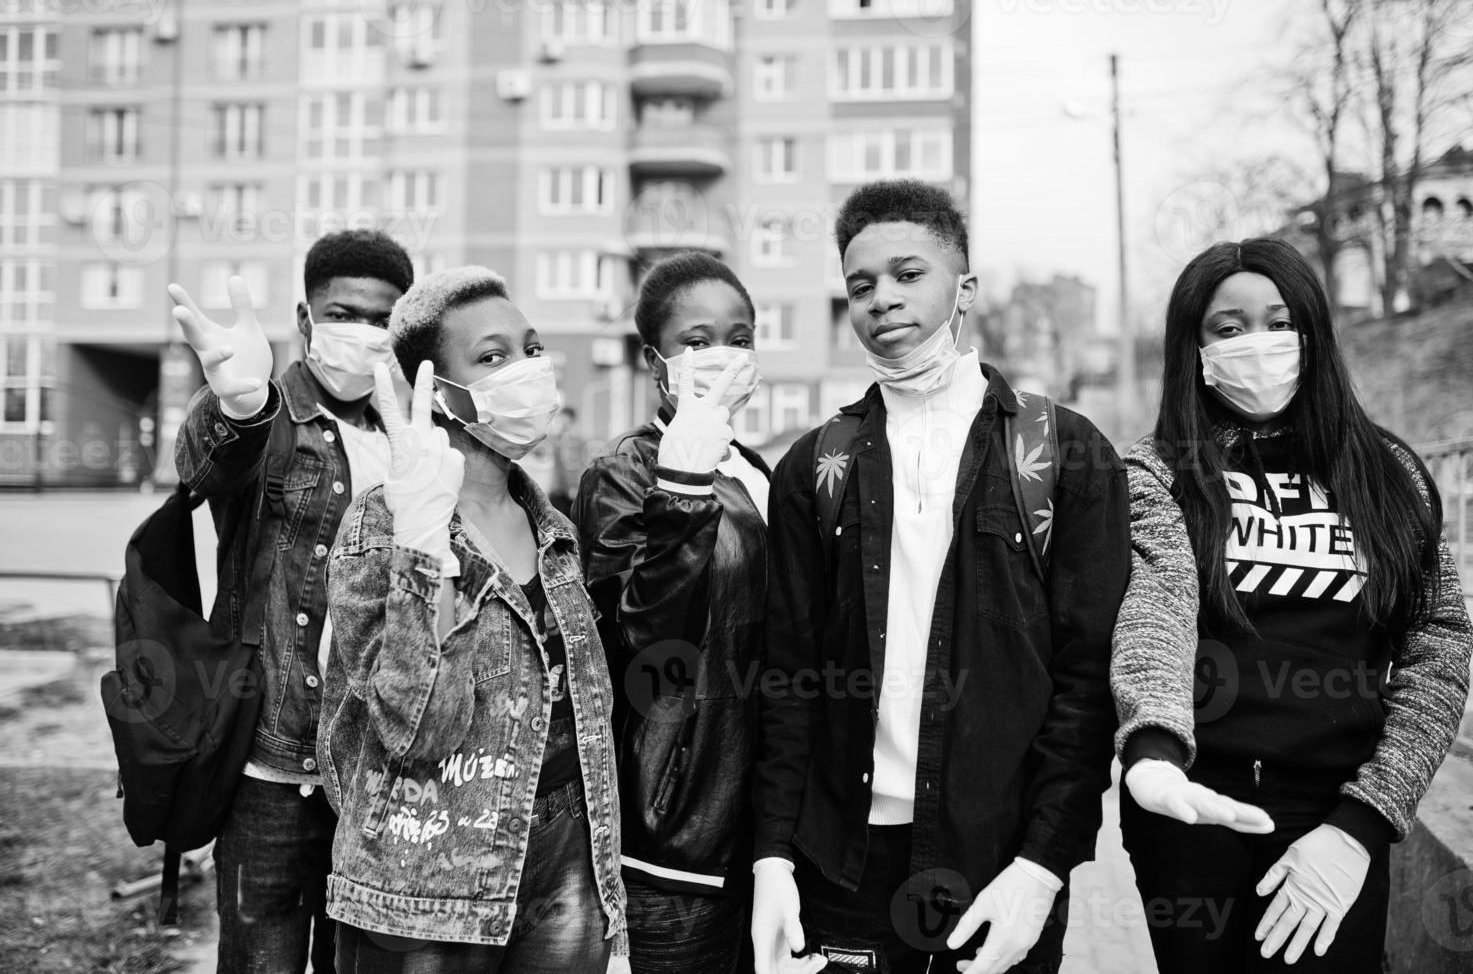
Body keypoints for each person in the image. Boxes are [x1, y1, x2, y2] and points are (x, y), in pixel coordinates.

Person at [751, 179, 1130, 974]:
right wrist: (772, 858)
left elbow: (1086, 680)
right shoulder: (814, 467)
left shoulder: (1062, 454)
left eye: (907, 273)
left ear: (963, 290)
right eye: (861, 285)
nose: (882, 297)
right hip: (840, 866)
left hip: (997, 863)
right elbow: (786, 678)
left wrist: (1042, 866)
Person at [1111, 237, 1473, 973]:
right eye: (1229, 327)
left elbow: (1437, 643)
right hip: (1190, 808)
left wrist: (1363, 822)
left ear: (1313, 332)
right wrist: (1150, 758)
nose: (1258, 344)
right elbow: (1158, 608)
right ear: (1195, 347)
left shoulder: (1389, 472)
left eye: (1280, 322)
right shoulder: (1154, 472)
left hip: (1337, 806)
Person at [317, 265, 627, 973]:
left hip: (562, 860)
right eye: (492, 357)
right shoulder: (383, 524)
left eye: (531, 348)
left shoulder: (553, 528)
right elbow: (417, 732)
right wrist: (426, 551)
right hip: (427, 885)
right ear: (439, 390)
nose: (527, 370)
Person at [171, 228, 414, 973]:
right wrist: (235, 405)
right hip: (272, 769)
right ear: (306, 322)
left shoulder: (409, 432)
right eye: (346, 314)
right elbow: (202, 467)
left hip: (377, 769)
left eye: (384, 320)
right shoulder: (270, 412)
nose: (366, 334)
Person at [574, 252, 769, 973]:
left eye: (739, 337)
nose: (721, 355)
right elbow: (641, 641)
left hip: (760, 831)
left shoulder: (754, 469)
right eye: (696, 341)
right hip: (674, 834)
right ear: (656, 364)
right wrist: (681, 489)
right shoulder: (623, 472)